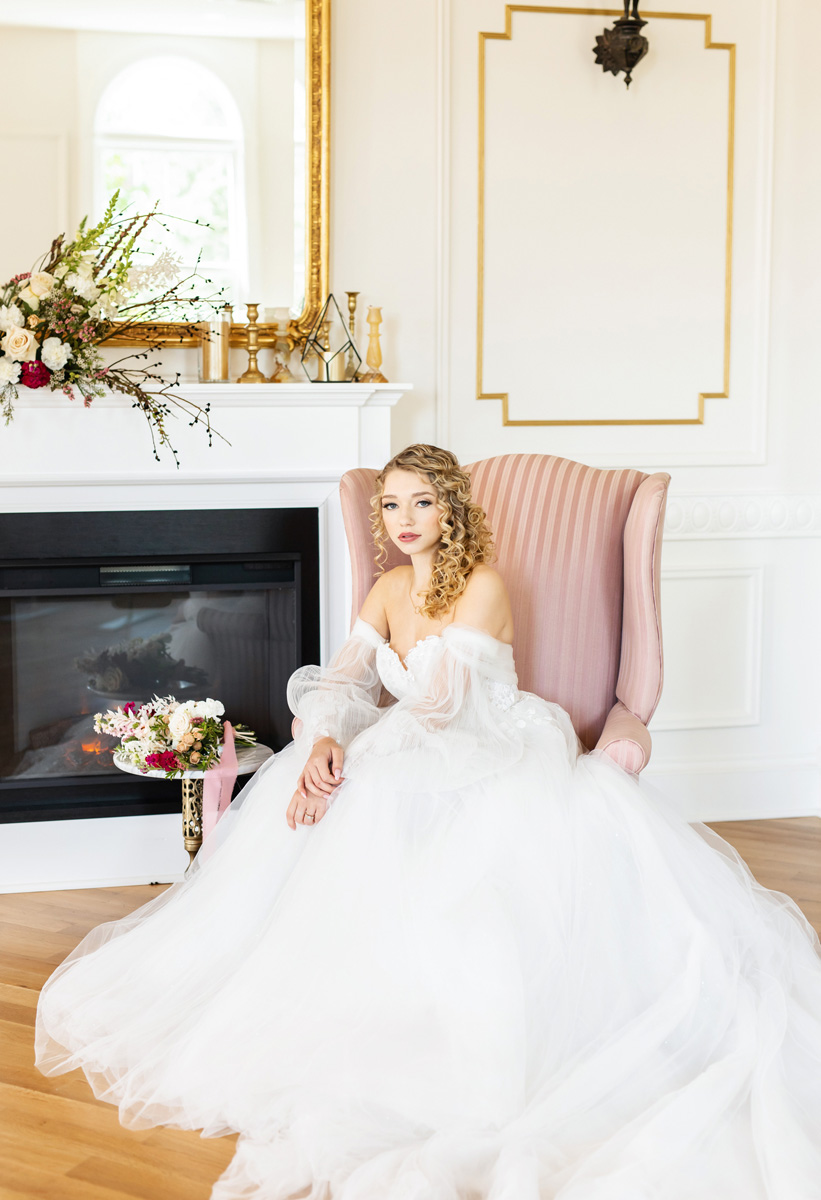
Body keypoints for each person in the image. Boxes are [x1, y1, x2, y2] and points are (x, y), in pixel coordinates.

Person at [35, 444, 821, 1200]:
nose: (404, 518)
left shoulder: (482, 585)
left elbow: (443, 707)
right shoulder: (385, 590)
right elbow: (342, 681)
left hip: (496, 744)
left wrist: (348, 757)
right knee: (316, 785)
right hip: (409, 740)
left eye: (422, 502)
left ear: (451, 511)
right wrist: (325, 739)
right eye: (390, 504)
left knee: (371, 796)